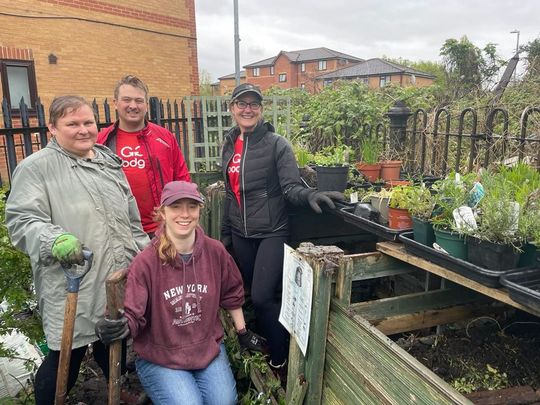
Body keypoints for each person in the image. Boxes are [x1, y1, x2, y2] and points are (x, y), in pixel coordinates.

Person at [5, 95, 149, 405]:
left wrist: (145, 257)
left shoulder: (107, 162)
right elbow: (22, 221)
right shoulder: (37, 168)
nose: (83, 130)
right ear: (52, 128)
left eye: (88, 122)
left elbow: (131, 220)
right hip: (73, 281)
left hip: (114, 277)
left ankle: (116, 391)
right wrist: (52, 239)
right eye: (72, 124)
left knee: (114, 342)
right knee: (66, 357)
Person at [95, 181, 264, 405]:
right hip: (160, 357)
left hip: (206, 350)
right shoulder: (146, 262)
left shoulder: (215, 252)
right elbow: (133, 313)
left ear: (199, 211)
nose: (184, 214)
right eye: (176, 207)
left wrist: (242, 333)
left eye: (192, 206)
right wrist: (117, 326)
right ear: (162, 212)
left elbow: (232, 293)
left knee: (223, 402)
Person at [221, 83, 343, 378]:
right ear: (232, 108)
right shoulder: (230, 144)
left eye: (253, 104)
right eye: (241, 103)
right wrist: (226, 234)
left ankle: (280, 361)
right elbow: (229, 192)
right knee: (255, 295)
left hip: (272, 231)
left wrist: (311, 195)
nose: (247, 109)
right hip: (241, 234)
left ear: (261, 110)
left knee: (263, 296)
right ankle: (271, 344)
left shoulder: (277, 144)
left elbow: (291, 187)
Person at [98, 74, 190, 237]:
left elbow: (182, 180)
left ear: (146, 105)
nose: (133, 105)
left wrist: (175, 211)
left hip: (161, 228)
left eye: (139, 100)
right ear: (115, 103)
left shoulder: (165, 138)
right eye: (126, 100)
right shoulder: (102, 141)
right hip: (119, 231)